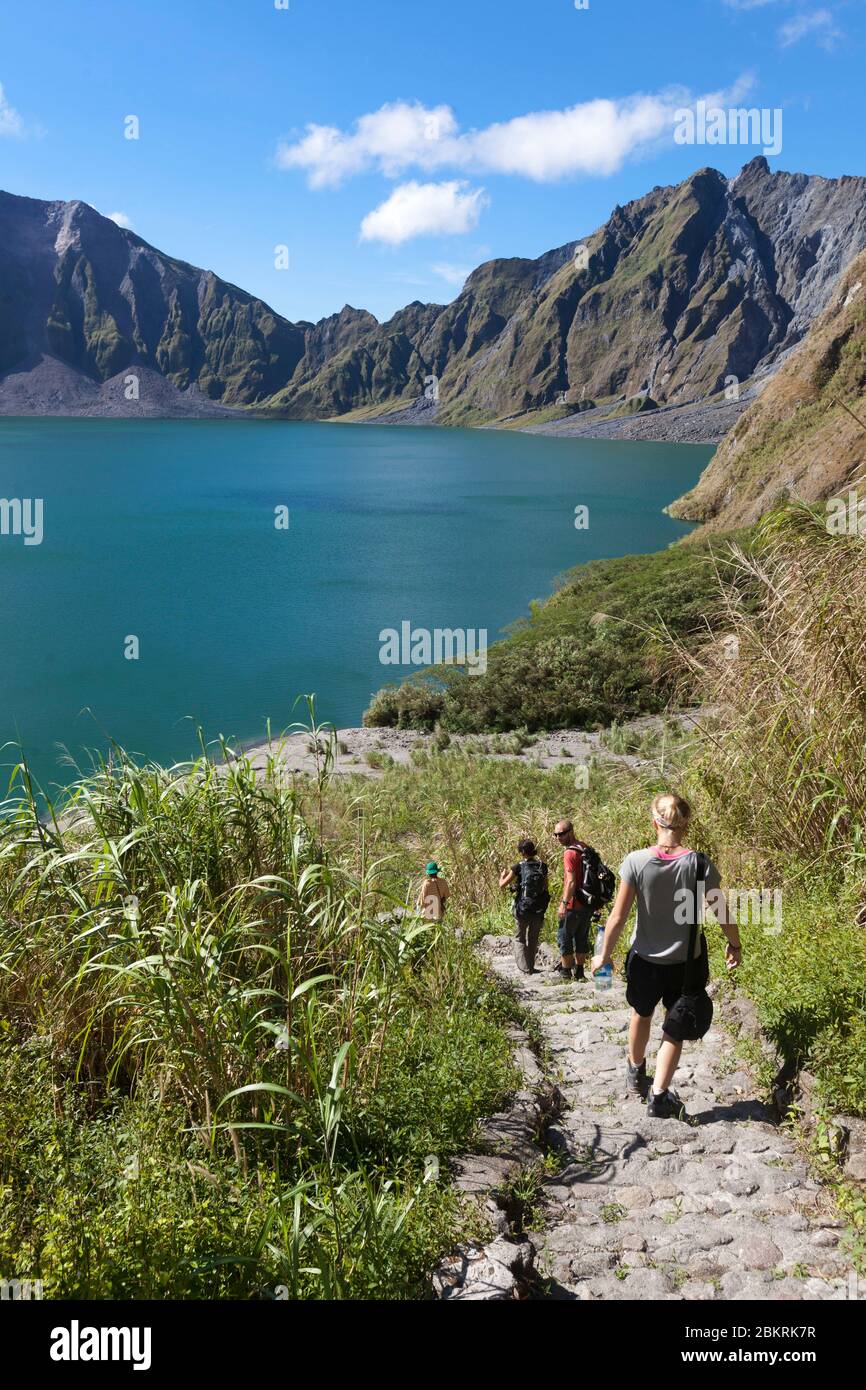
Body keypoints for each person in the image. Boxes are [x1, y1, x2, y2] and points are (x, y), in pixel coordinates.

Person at [591, 793, 742, 1119]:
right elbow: (721, 909)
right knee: (675, 1026)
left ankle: (635, 1070)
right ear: (686, 826)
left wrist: (603, 956)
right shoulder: (700, 865)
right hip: (685, 964)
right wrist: (735, 944)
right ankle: (659, 1095)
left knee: (641, 1013)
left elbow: (617, 917)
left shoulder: (636, 862)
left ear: (654, 822)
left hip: (644, 959)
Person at [499, 839, 550, 974]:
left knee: (519, 938)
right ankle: (531, 967)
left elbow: (502, 885)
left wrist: (502, 876)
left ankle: (525, 968)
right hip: (538, 908)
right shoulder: (542, 866)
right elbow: (546, 887)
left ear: (522, 852)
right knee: (533, 938)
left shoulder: (518, 867)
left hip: (523, 908)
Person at [553, 819, 593, 981]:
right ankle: (580, 972)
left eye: (561, 834)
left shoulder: (569, 852)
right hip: (587, 903)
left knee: (565, 936)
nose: (558, 838)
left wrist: (564, 903)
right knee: (582, 937)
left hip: (573, 903)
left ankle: (566, 972)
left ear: (571, 831)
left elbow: (570, 881)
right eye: (555, 835)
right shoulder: (585, 848)